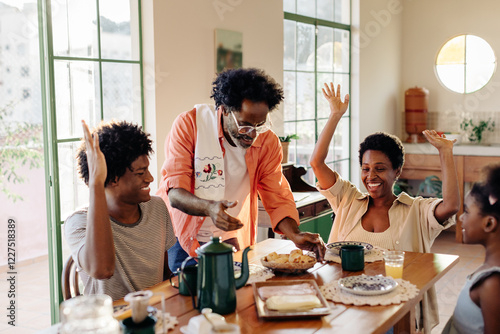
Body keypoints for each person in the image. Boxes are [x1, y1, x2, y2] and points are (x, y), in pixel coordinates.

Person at [310, 83, 460, 333]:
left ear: (397, 172)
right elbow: (316, 162)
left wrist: (445, 152)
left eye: (380, 168)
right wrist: (335, 115)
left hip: (392, 309)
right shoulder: (347, 199)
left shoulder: (416, 211)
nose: (371, 176)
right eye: (366, 168)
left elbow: (452, 205)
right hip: (342, 302)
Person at [157, 68, 325, 272]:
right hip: (181, 233)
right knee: (187, 296)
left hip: (227, 234)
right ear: (226, 109)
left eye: (259, 125)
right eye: (245, 125)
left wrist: (295, 234)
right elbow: (174, 193)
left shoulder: (267, 142)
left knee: (235, 289)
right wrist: (209, 208)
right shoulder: (190, 125)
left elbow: (277, 196)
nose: (252, 134)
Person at [64, 120, 176, 301]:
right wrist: (96, 184)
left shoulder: (157, 208)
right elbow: (102, 269)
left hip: (153, 316)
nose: (150, 178)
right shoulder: (78, 222)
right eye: (140, 173)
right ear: (113, 179)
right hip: (109, 322)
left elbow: (164, 275)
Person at [442, 164, 500, 334]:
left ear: (489, 223)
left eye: (466, 211)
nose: (460, 218)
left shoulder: (492, 285)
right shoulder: (489, 273)